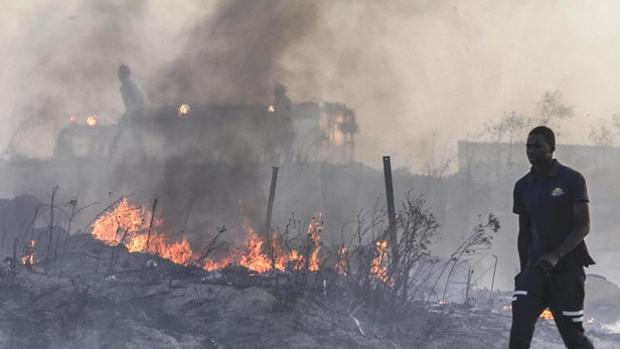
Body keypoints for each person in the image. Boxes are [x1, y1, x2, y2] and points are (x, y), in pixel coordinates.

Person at [509, 126, 595, 348]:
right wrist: (524, 271)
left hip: (568, 272)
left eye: (537, 146)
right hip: (535, 273)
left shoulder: (572, 179)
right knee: (518, 336)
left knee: (574, 339)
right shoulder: (522, 186)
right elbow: (524, 233)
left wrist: (556, 255)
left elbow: (583, 225)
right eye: (528, 147)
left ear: (552, 148)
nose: (531, 151)